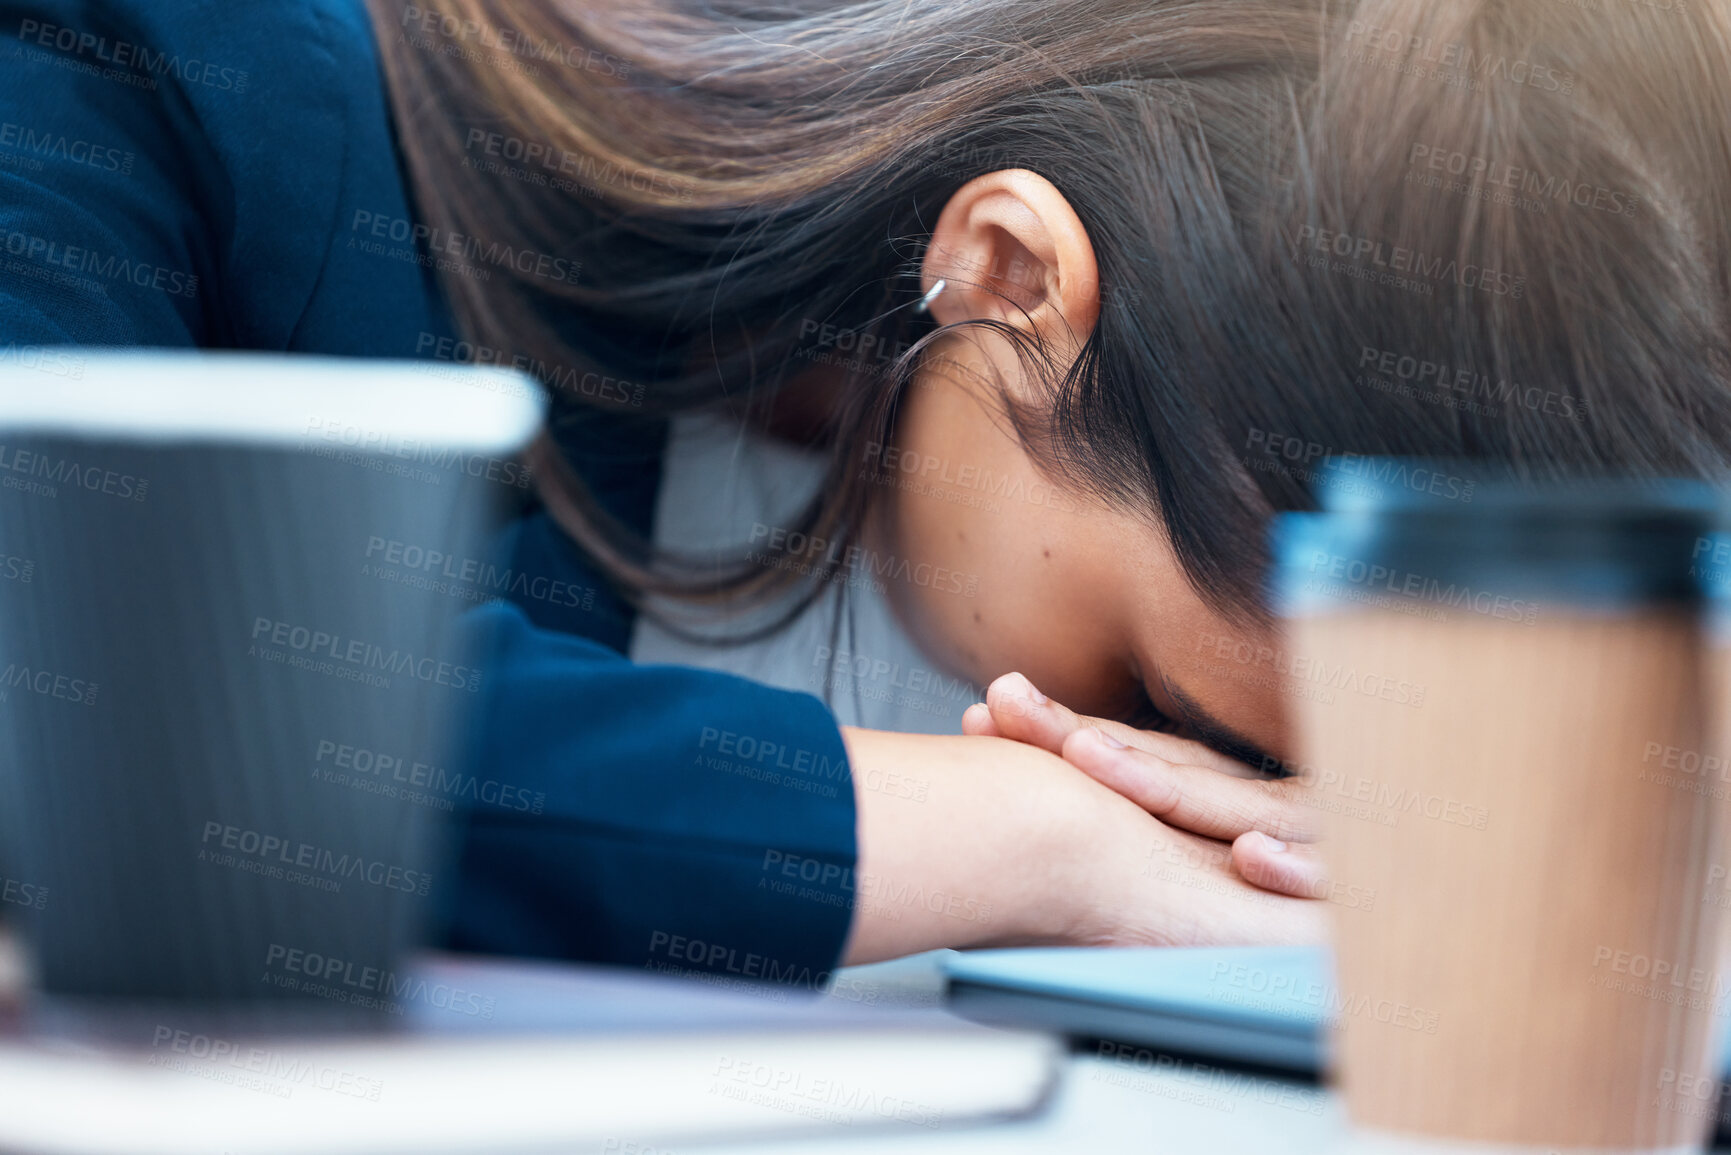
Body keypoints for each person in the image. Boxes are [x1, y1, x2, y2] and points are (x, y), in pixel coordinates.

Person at [2, 0, 1728, 985]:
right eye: (1162, 709)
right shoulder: (149, 64)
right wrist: (1049, 841)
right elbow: (131, 697)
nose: (1193, 802)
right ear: (1003, 268)